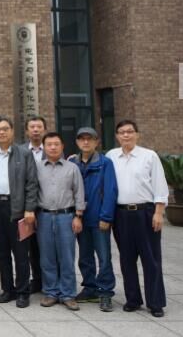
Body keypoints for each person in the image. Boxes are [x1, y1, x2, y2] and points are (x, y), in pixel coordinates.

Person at [107, 120, 168, 318]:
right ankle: (133, 299)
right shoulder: (111, 156)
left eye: (130, 131)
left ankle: (155, 302)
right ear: (117, 136)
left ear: (137, 134)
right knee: (126, 259)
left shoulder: (149, 156)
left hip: (145, 213)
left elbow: (160, 186)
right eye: (122, 132)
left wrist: (158, 212)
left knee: (151, 259)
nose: (126, 135)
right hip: (121, 214)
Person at [0, 115, 38, 308]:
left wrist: (29, 208)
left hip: (19, 210)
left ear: (12, 131)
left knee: (21, 253)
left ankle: (23, 291)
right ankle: (8, 289)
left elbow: (32, 183)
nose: (2, 132)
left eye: (5, 129)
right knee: (1, 252)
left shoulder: (24, 154)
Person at [70, 127, 118, 312]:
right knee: (85, 256)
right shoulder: (72, 163)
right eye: (82, 139)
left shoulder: (105, 163)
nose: (85, 142)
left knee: (104, 257)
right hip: (80, 218)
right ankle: (89, 287)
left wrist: (106, 216)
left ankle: (105, 292)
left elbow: (110, 191)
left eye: (89, 139)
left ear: (97, 142)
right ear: (77, 142)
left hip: (99, 219)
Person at [35, 132, 85, 311]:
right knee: (47, 257)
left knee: (67, 256)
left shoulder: (72, 168)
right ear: (44, 147)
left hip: (66, 216)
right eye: (49, 144)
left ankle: (68, 294)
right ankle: (51, 292)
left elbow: (79, 192)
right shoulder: (37, 167)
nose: (53, 147)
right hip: (44, 216)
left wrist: (78, 216)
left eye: (56, 144)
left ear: (62, 146)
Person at [20, 115, 47, 294]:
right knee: (30, 246)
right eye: (32, 127)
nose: (36, 130)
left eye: (39, 127)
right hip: (26, 206)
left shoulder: (53, 148)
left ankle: (49, 280)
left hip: (47, 204)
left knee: (47, 245)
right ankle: (36, 280)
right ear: (27, 131)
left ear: (44, 129)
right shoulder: (20, 150)